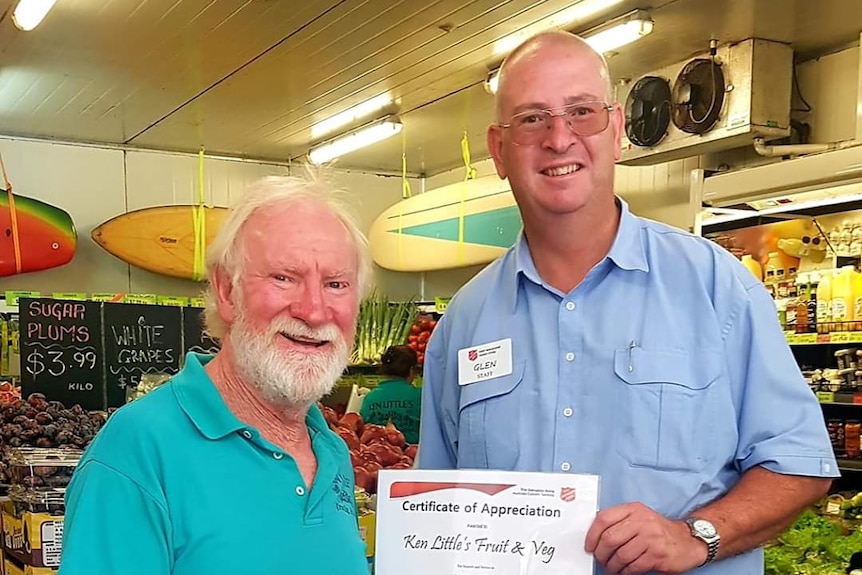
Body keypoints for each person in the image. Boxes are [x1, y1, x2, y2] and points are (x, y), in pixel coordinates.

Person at [416, 30, 838, 575]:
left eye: (582, 112)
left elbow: (800, 464)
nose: (559, 138)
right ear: (499, 151)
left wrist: (696, 536)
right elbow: (439, 505)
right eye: (531, 119)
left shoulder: (715, 288)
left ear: (616, 132)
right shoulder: (463, 323)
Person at [59, 172, 373, 575]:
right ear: (227, 291)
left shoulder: (332, 453)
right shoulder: (136, 452)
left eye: (336, 284)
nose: (313, 310)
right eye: (284, 278)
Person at [359, 345, 421, 444]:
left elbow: (362, 429)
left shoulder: (370, 397)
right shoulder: (420, 397)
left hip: (376, 455)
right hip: (413, 456)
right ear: (411, 370)